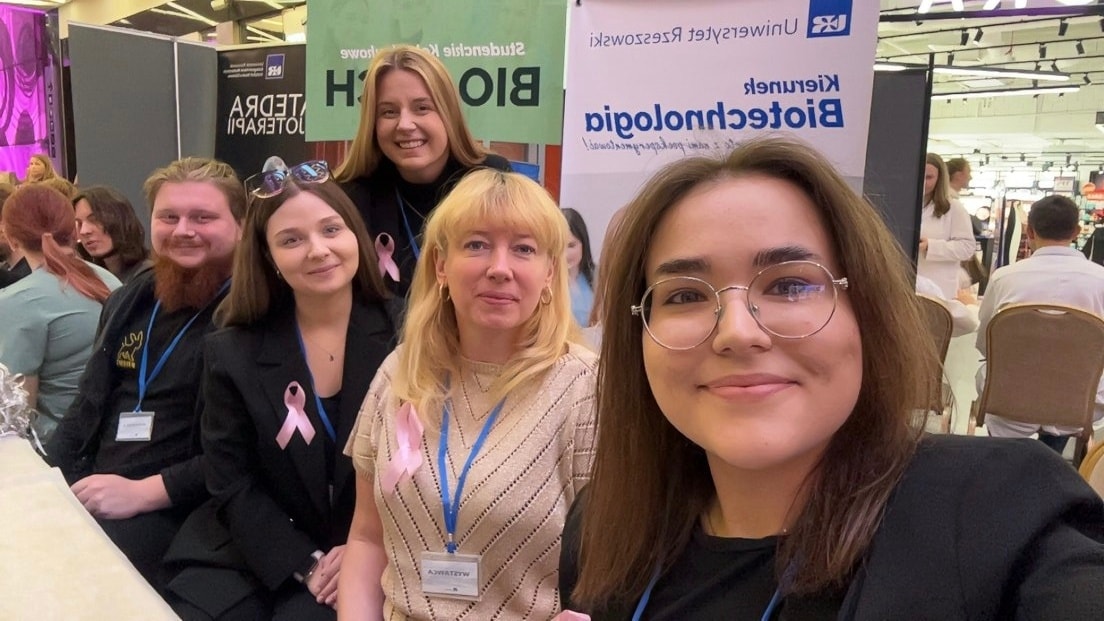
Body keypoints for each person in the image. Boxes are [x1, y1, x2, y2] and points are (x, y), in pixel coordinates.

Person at [558, 138, 1104, 620]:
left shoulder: (996, 516)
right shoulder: (605, 529)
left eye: (790, 286)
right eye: (684, 295)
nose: (738, 332)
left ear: (865, 311)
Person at [339, 169, 597, 619]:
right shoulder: (399, 372)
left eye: (524, 249)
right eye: (476, 245)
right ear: (441, 265)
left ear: (550, 273)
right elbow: (366, 538)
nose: (499, 268)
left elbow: (610, 564)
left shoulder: (584, 387)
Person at [163, 160, 400, 620]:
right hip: (254, 552)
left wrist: (366, 547)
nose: (318, 250)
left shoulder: (410, 335)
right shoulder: (232, 350)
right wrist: (304, 563)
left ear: (355, 235)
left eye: (331, 230)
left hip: (375, 551)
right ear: (268, 257)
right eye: (291, 240)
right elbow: (230, 479)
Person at [44, 157, 245, 592]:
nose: (183, 230)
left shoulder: (253, 316)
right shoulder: (132, 298)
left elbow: (244, 453)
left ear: (241, 227)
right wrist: (46, 478)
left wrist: (142, 493)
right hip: (99, 482)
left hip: (186, 504)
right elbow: (88, 402)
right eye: (168, 217)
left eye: (203, 217)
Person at [334, 44, 510, 296]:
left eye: (422, 108)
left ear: (448, 114)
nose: (405, 124)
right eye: (389, 112)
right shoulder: (351, 197)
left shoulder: (493, 180)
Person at [976, 194, 1104, 453]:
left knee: (990, 370)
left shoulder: (1004, 278)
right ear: (1076, 231)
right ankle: (1052, 456)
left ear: (1030, 231)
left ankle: (1008, 460)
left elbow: (985, 344)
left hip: (1009, 399)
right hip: (1078, 402)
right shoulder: (1100, 279)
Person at [0, 185, 121, 441]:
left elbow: (17, 414)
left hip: (56, 448)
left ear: (11, 238)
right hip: (113, 438)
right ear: (74, 230)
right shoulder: (109, 280)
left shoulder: (16, 301)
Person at [917, 153, 975, 299]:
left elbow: (967, 248)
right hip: (907, 286)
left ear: (940, 178)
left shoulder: (953, 208)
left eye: (929, 177)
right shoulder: (905, 205)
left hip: (939, 289)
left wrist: (931, 246)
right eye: (921, 175)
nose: (923, 182)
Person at [73, 186, 152, 283]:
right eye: (79, 223)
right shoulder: (87, 278)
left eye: (95, 219)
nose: (84, 231)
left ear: (120, 220)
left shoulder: (149, 277)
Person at [563, 208, 596, 327]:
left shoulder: (598, 277)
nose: (565, 254)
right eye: (560, 245)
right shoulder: (544, 282)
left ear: (583, 243)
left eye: (571, 246)